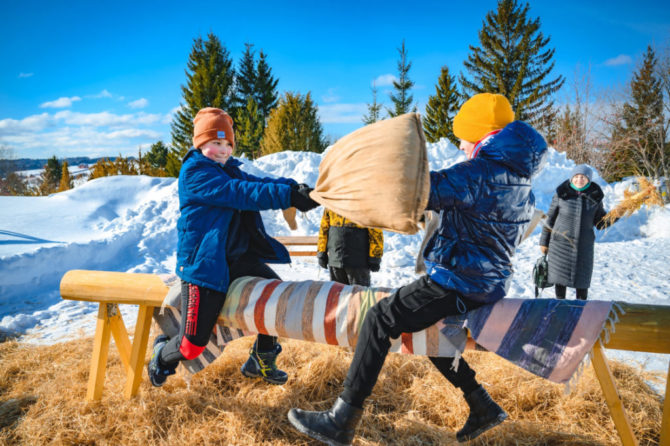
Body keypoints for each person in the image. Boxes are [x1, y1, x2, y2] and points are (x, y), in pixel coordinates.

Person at [287, 93, 548, 445]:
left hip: (458, 281)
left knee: (381, 319)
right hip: (488, 282)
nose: (458, 144)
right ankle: (482, 404)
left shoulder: (477, 173)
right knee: (425, 330)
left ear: (482, 136)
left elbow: (418, 190)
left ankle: (341, 419)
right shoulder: (520, 180)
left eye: (463, 137)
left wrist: (368, 174)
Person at [147, 107, 320, 387]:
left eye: (228, 143)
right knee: (192, 346)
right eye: (216, 143)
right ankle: (162, 355)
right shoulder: (196, 174)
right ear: (200, 144)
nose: (223, 150)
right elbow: (241, 194)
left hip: (236, 260)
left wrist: (298, 190)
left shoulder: (229, 170)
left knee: (276, 300)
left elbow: (260, 183)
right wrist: (286, 196)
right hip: (206, 266)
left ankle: (260, 358)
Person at [539, 164, 615, 300]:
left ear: (589, 180)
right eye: (577, 176)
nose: (579, 180)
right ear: (572, 178)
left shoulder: (595, 198)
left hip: (583, 247)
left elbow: (601, 223)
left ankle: (580, 311)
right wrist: (544, 242)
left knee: (582, 282)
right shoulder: (561, 195)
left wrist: (617, 214)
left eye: (583, 177)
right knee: (559, 280)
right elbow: (549, 220)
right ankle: (560, 307)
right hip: (560, 245)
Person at [317, 208, 384, 286]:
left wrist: (375, 257)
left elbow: (375, 230)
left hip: (358, 261)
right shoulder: (331, 202)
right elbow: (324, 229)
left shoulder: (365, 203)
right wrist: (321, 253)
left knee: (359, 295)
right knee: (338, 295)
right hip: (336, 259)